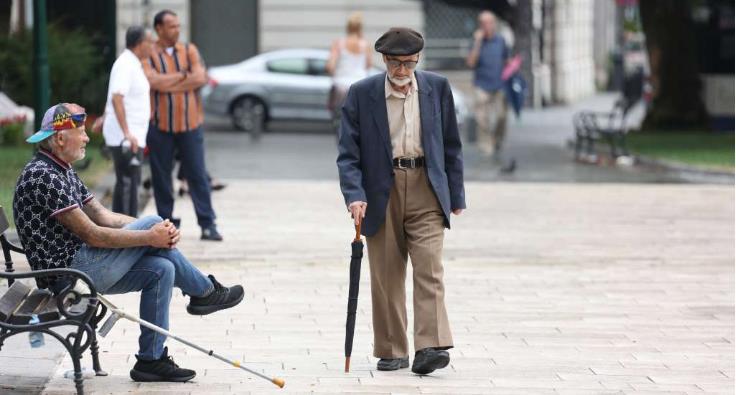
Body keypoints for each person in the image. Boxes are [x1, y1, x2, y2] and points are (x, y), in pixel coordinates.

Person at [13, 103, 245, 382]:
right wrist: (149, 234)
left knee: (162, 269)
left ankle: (151, 360)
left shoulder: (61, 170)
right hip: (69, 276)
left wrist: (158, 231)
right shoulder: (44, 176)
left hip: (82, 266)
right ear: (61, 138)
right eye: (82, 132)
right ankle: (205, 292)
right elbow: (93, 234)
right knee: (152, 223)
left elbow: (103, 215)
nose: (87, 138)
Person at [336, 27, 466, 375]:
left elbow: (451, 145)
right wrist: (354, 196)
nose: (402, 71)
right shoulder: (362, 94)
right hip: (381, 190)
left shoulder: (437, 88)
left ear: (418, 60)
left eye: (409, 63)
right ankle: (392, 349)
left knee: (429, 268)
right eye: (395, 63)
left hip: (426, 186)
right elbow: (348, 155)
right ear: (384, 60)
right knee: (387, 274)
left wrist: (456, 194)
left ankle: (430, 346)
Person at [144, 9, 222, 240]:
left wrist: (168, 82)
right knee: (161, 177)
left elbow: (200, 77)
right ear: (159, 29)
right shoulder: (150, 52)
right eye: (171, 26)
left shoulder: (189, 50)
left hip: (190, 125)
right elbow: (152, 81)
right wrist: (182, 78)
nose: (177, 30)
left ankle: (208, 224)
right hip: (160, 126)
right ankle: (165, 226)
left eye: (178, 26)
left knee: (197, 174)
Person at [100, 26, 154, 217]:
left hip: (132, 134)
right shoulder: (125, 64)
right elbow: (117, 97)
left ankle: (125, 228)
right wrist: (126, 133)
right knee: (128, 182)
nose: (153, 46)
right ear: (140, 44)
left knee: (128, 182)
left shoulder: (133, 64)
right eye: (150, 42)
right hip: (126, 137)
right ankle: (127, 230)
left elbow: (118, 97)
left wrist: (104, 117)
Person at [466, 10, 509, 157]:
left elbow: (506, 60)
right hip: (481, 85)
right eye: (483, 23)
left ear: (494, 24)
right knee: (482, 119)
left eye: (489, 22)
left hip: (499, 84)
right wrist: (477, 42)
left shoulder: (501, 40)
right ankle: (486, 145)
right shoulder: (476, 42)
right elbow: (471, 63)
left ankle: (497, 140)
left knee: (501, 116)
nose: (486, 26)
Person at [326, 12, 372, 131]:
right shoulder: (365, 45)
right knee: (359, 118)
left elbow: (330, 66)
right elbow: (368, 65)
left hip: (341, 86)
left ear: (348, 27)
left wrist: (334, 72)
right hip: (360, 84)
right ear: (360, 27)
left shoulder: (339, 43)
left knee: (340, 119)